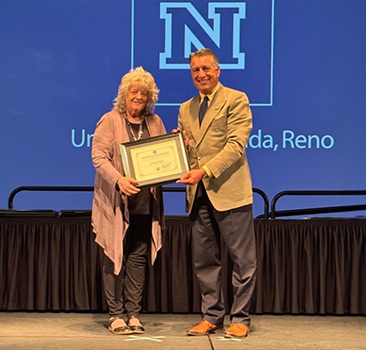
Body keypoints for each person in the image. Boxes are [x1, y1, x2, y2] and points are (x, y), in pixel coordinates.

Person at [175, 48, 257, 339]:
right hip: (198, 195)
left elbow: (236, 147)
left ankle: (240, 318)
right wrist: (178, 148)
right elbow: (190, 153)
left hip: (229, 192)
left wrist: (204, 171)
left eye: (206, 68)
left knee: (242, 261)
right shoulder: (185, 108)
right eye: (195, 70)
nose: (201, 74)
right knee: (205, 262)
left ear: (218, 70)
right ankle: (211, 316)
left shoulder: (236, 99)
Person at [91, 67, 166, 335]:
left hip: (145, 204)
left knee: (137, 258)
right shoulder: (110, 120)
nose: (138, 97)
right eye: (134, 92)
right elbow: (99, 157)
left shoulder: (155, 122)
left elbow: (164, 158)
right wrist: (119, 180)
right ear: (124, 95)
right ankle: (115, 315)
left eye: (143, 93)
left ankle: (133, 313)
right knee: (114, 257)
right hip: (115, 203)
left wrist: (180, 147)